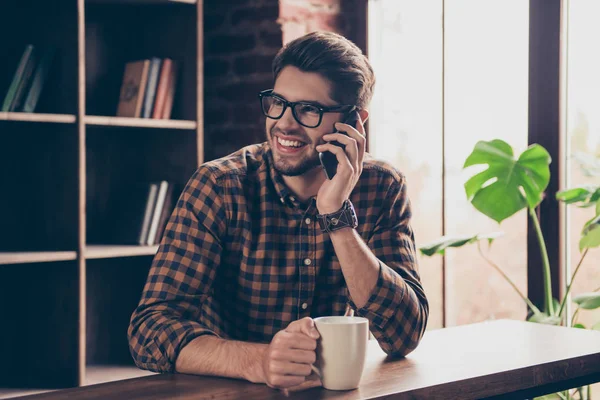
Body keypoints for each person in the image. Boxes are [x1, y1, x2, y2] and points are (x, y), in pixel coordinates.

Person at [128, 31, 429, 391]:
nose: (284, 123)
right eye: (277, 103)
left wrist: (337, 217)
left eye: (308, 110)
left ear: (355, 121)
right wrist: (260, 360)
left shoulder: (382, 187)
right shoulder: (220, 186)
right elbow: (150, 330)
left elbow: (403, 335)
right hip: (228, 392)